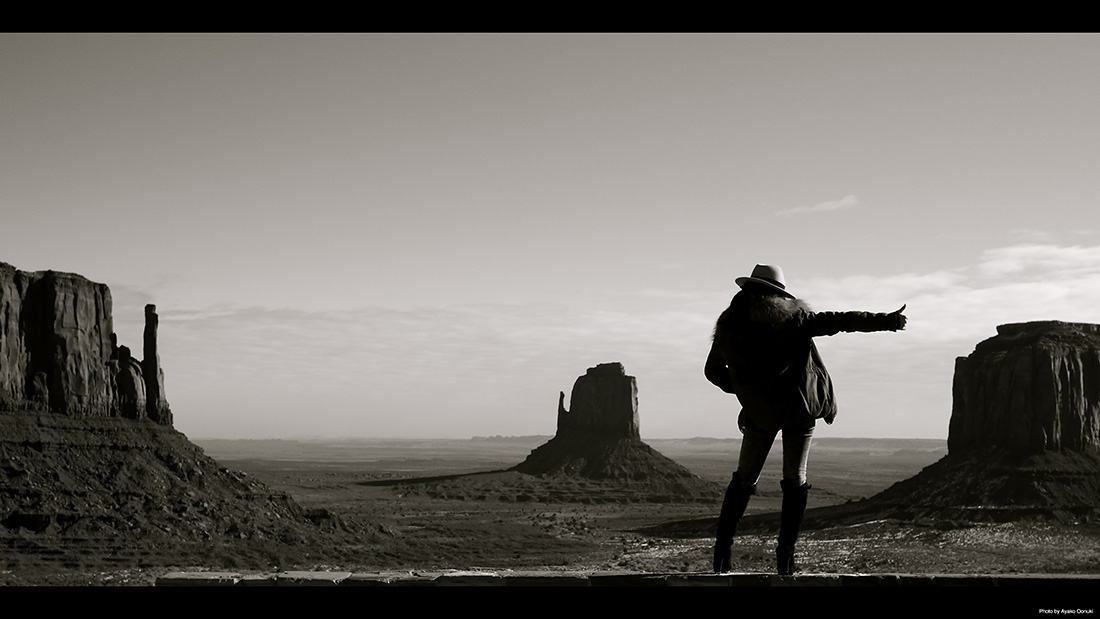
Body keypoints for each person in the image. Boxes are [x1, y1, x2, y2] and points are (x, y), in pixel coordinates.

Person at [704, 264, 906, 575]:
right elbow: (840, 321)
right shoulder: (793, 318)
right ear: (779, 293)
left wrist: (749, 392)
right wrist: (887, 321)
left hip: (759, 413)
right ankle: (785, 559)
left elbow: (713, 371)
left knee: (744, 480)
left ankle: (722, 556)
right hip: (799, 409)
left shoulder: (729, 325)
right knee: (795, 480)